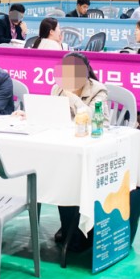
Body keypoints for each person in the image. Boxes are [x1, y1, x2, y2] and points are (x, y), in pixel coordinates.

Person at [50, 52, 109, 251]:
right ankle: (68, 226)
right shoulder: (57, 88)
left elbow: (92, 118)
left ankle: (83, 230)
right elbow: (52, 117)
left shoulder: (98, 90)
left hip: (92, 148)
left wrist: (72, 97)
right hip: (65, 147)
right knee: (60, 173)